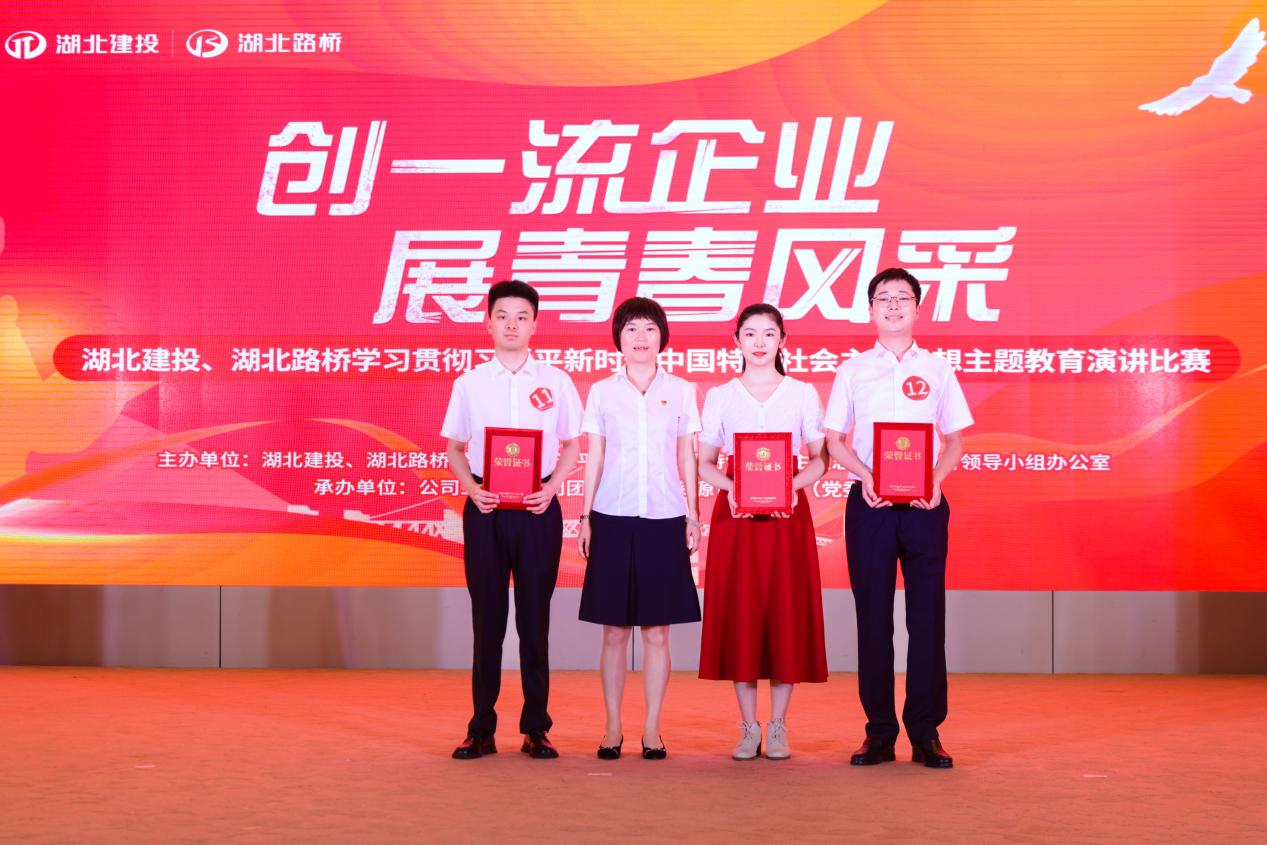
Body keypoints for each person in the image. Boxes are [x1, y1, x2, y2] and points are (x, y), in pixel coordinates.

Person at [824, 267, 973, 770]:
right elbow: (834, 440)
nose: (893, 306)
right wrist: (866, 475)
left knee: (928, 618)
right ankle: (880, 732)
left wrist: (936, 479)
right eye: (883, 298)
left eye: (902, 298)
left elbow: (955, 439)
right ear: (870, 309)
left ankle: (926, 732)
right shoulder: (852, 370)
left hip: (925, 507)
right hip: (870, 505)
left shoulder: (938, 369)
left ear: (917, 307)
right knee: (873, 619)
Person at [442, 279, 583, 760]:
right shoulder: (470, 383)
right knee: (487, 621)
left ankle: (536, 728)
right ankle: (480, 728)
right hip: (485, 508)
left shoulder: (556, 381)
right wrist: (471, 489)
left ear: (534, 325)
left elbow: (572, 445)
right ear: (488, 323)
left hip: (538, 508)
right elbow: (455, 449)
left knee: (534, 621)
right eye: (502, 316)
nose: (511, 325)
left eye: (522, 317)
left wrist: (552, 488)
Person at [697, 303, 828, 761]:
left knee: (785, 615)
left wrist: (790, 488)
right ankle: (748, 726)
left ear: (782, 341)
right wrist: (734, 488)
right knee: (743, 615)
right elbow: (704, 463)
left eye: (768, 334)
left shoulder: (802, 393)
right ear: (736, 341)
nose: (759, 342)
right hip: (736, 518)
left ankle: (778, 726)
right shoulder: (721, 396)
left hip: (787, 518)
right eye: (749, 333)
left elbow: (820, 459)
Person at [577, 297, 702, 761]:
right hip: (611, 515)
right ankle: (612, 726)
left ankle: (652, 727)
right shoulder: (602, 391)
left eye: (649, 328)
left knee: (657, 632)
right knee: (613, 631)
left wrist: (693, 515)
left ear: (662, 336)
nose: (640, 337)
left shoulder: (682, 390)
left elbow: (687, 455)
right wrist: (585, 516)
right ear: (619, 338)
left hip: (664, 517)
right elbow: (595, 456)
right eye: (631, 328)